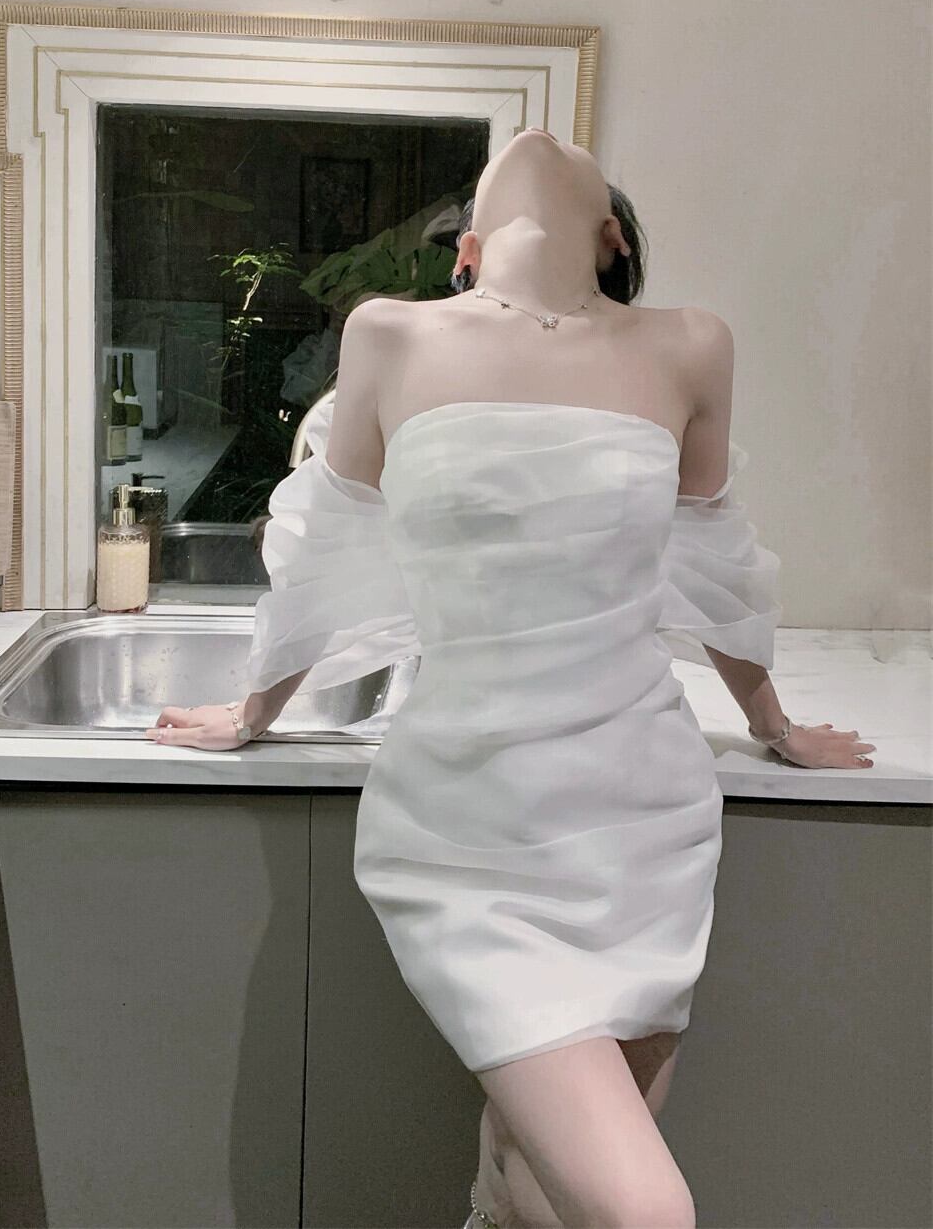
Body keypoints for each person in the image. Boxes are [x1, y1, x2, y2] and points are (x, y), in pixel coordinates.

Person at [147, 128, 876, 1229]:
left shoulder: (688, 343)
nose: (543, 143)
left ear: (611, 237)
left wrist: (773, 722)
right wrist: (253, 711)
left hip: (642, 822)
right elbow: (328, 556)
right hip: (469, 825)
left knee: (533, 1184)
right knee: (646, 1212)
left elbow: (712, 560)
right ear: (467, 251)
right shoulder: (390, 333)